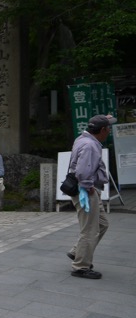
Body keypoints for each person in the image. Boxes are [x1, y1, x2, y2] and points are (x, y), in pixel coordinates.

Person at [66, 114, 115, 279]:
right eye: (108, 128)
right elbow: (83, 171)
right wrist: (88, 186)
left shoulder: (83, 138)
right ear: (102, 130)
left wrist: (105, 118)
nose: (109, 131)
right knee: (90, 229)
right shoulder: (90, 145)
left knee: (102, 224)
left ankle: (77, 252)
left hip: (83, 189)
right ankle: (81, 266)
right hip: (85, 191)